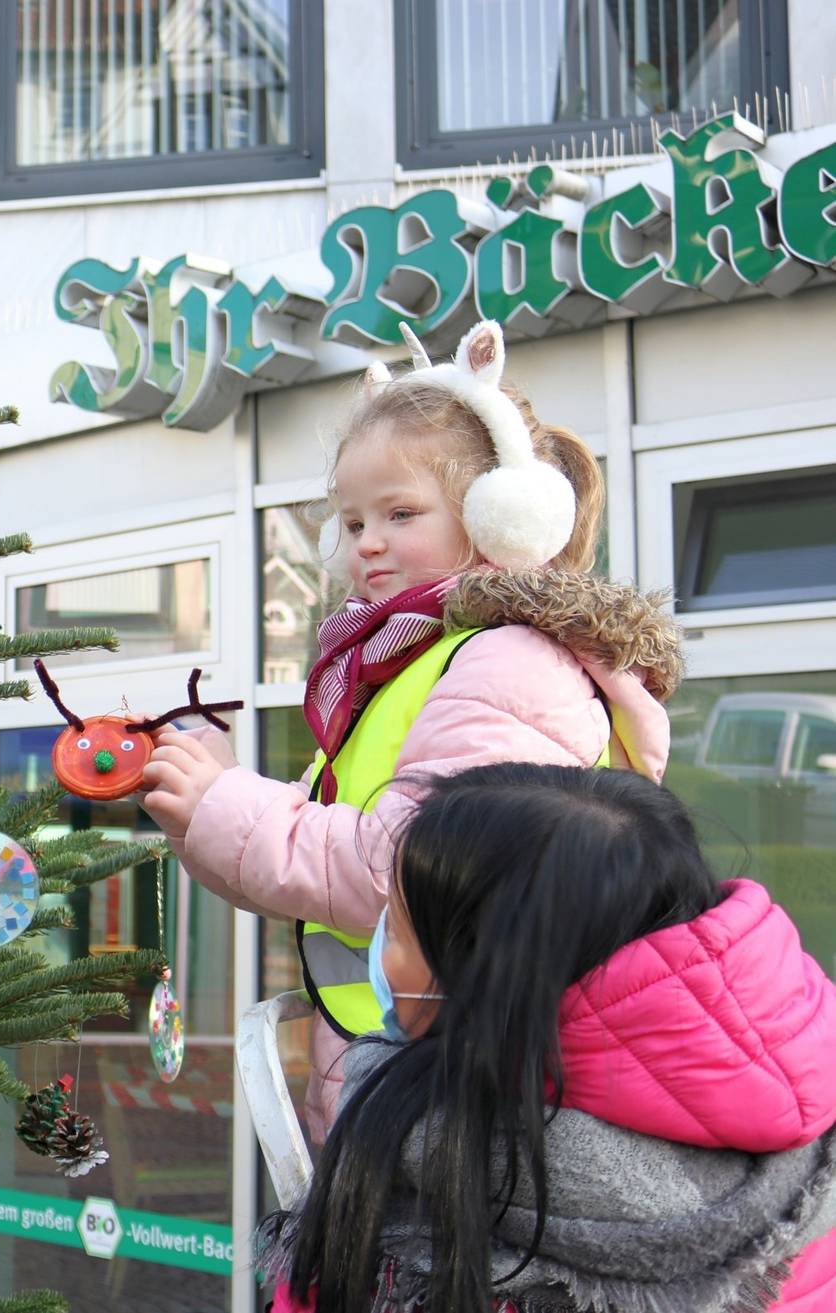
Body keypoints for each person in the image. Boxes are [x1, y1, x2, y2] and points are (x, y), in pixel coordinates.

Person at [134, 320, 681, 1137]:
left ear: (498, 520)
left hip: (455, 1086)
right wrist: (213, 799)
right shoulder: (420, 656)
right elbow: (349, 845)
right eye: (353, 523)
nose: (369, 544)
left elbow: (411, 874)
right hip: (399, 1063)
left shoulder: (510, 665)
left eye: (400, 512)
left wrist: (228, 804)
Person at [263, 763, 836, 1313]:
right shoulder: (800, 1149)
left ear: (489, 975)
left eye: (400, 931)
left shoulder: (423, 1138)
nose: (380, 956)